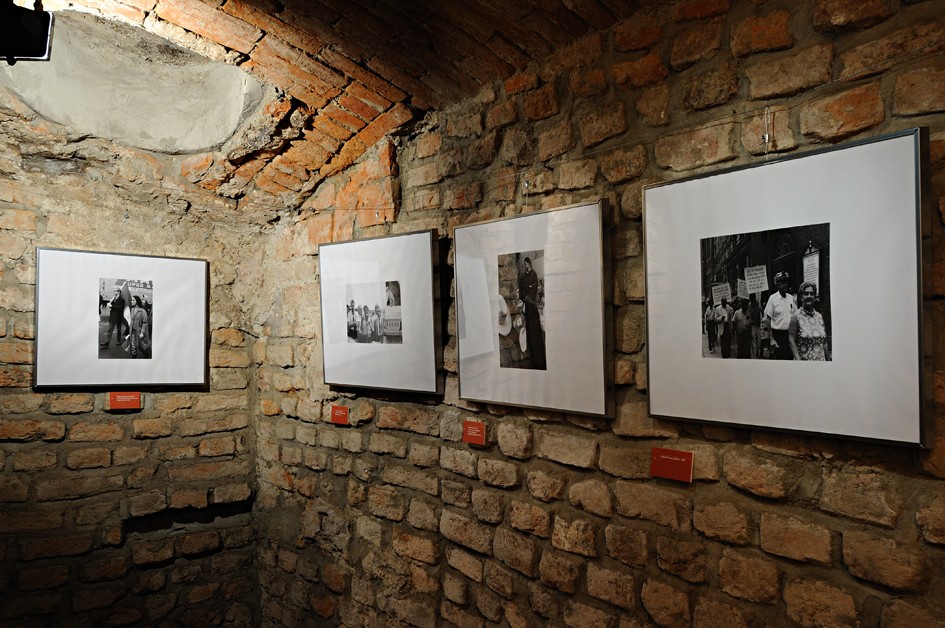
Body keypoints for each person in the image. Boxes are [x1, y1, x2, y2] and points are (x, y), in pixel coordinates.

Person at [789, 281, 830, 361]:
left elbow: (824, 342)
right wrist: (799, 361)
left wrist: (828, 361)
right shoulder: (796, 317)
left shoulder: (819, 316)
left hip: (820, 362)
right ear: (801, 296)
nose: (809, 296)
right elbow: (791, 341)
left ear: (814, 296)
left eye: (811, 294)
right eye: (806, 294)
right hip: (805, 362)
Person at [519, 257, 546, 369]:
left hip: (532, 306)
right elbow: (522, 290)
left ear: (529, 264)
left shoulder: (533, 274)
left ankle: (539, 359)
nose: (524, 266)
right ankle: (533, 359)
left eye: (525, 264)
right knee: (530, 331)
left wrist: (529, 289)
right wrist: (526, 290)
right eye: (524, 264)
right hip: (527, 305)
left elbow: (533, 288)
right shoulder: (524, 276)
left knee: (535, 329)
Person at [764, 271, 797, 360]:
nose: (785, 285)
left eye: (786, 282)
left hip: (789, 336)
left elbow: (796, 316)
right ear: (777, 285)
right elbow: (767, 320)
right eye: (782, 283)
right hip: (777, 336)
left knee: (789, 359)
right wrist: (771, 339)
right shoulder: (772, 298)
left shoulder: (791, 298)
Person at [748, 293, 762, 358]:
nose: (753, 300)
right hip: (753, 326)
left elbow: (761, 314)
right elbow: (748, 315)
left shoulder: (758, 304)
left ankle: (757, 354)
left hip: (758, 326)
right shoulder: (749, 305)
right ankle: (754, 357)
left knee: (759, 343)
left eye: (753, 298)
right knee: (754, 343)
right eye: (751, 298)